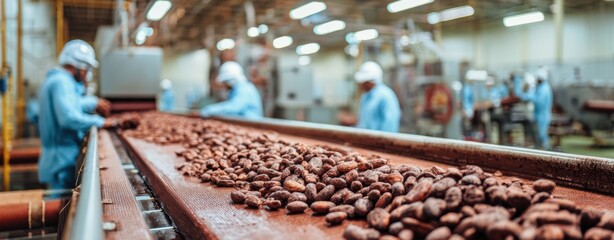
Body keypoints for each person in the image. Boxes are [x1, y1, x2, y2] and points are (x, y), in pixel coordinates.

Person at [38, 39, 117, 191]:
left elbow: (73, 104)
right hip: (61, 160)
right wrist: (100, 122)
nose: (87, 73)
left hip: (59, 157)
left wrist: (93, 102)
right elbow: (68, 118)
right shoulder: (61, 82)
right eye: (86, 69)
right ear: (79, 65)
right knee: (61, 208)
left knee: (63, 206)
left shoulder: (58, 80)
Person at [354, 61, 401, 132]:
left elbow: (390, 125)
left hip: (379, 142)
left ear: (369, 82)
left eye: (362, 82)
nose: (360, 85)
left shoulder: (386, 96)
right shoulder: (365, 96)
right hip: (365, 140)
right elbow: (363, 123)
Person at [516, 67, 553, 149]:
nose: (537, 80)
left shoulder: (544, 88)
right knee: (539, 134)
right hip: (539, 114)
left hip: (542, 115)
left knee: (542, 134)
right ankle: (542, 150)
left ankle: (547, 152)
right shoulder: (541, 87)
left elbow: (539, 101)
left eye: (538, 79)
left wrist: (527, 97)